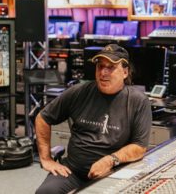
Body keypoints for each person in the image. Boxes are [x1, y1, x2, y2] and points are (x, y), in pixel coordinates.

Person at [35, 44, 152, 194]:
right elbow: (42, 118)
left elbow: (139, 147)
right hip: (72, 172)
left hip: (112, 173)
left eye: (111, 67)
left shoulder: (138, 101)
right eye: (100, 66)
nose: (103, 72)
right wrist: (46, 159)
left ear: (125, 72)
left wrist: (110, 160)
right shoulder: (79, 92)